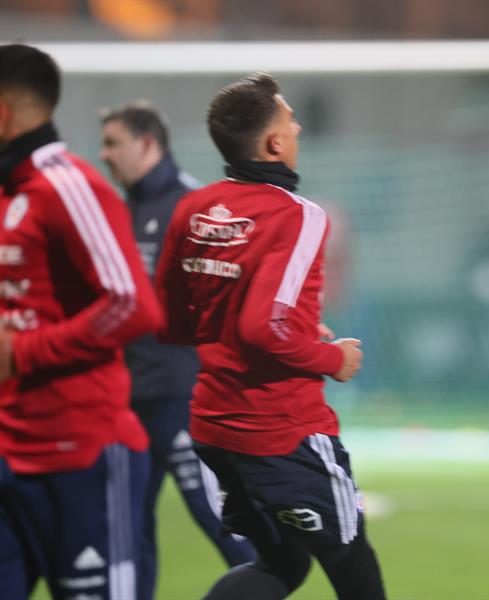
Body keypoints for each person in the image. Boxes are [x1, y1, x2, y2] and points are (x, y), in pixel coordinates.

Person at [154, 73, 386, 600]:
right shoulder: (299, 215)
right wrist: (330, 358)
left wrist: (292, 328)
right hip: (283, 431)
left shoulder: (193, 208)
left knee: (282, 563)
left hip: (215, 429)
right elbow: (263, 326)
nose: (298, 127)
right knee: (353, 563)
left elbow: (171, 321)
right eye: (290, 119)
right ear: (275, 143)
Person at [0, 44, 162, 599]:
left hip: (82, 454)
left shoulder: (70, 187)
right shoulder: (8, 191)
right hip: (10, 454)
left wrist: (23, 353)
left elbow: (134, 304)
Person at [99, 102, 256, 600]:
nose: (105, 155)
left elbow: (237, 290)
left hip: (186, 398)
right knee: (127, 533)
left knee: (222, 521)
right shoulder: (120, 212)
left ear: (148, 144)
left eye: (113, 143)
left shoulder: (196, 207)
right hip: (129, 402)